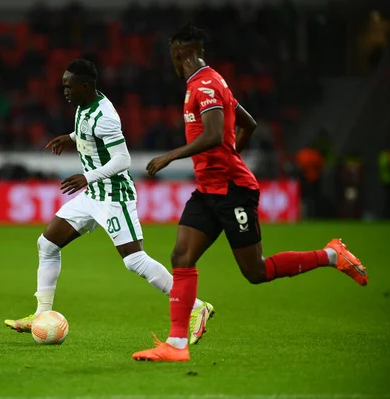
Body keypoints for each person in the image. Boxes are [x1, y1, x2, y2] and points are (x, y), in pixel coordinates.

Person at [132, 23, 367, 363]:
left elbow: (213, 134)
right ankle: (177, 345)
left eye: (173, 54)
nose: (172, 60)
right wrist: (230, 155)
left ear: (180, 53)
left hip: (232, 191)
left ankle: (331, 256)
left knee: (255, 272)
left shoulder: (207, 85)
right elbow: (249, 124)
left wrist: (172, 156)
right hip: (209, 190)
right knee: (181, 256)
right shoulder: (206, 82)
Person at [4, 59, 215, 345]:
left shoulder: (106, 115)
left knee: (134, 260)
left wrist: (88, 176)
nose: (64, 90)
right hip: (93, 194)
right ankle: (42, 314)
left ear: (85, 86)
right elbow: (88, 135)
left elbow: (123, 159)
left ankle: (196, 306)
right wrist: (71, 138)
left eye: (68, 86)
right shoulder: (82, 107)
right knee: (47, 243)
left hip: (114, 195)